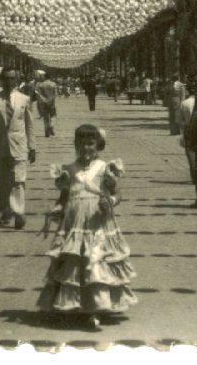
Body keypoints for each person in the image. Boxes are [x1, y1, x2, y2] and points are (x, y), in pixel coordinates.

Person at [37, 124, 135, 329]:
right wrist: (56, 210)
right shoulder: (68, 170)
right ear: (75, 144)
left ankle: (94, 308)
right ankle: (73, 305)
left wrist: (111, 201)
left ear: (98, 145)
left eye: (90, 144)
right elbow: (64, 197)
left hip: (97, 223)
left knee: (95, 263)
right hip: (74, 224)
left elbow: (117, 193)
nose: (86, 148)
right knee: (74, 264)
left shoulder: (104, 168)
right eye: (81, 144)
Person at [0, 73, 36, 229]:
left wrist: (32, 147)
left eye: (13, 78)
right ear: (1, 80)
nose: (9, 81)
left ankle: (19, 214)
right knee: (1, 181)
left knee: (18, 180)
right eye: (6, 78)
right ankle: (6, 210)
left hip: (19, 146)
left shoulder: (24, 99)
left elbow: (29, 125)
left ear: (16, 80)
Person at [34, 73, 59, 138]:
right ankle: (51, 126)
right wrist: (51, 99)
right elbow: (56, 94)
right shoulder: (53, 84)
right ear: (50, 77)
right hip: (52, 102)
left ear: (45, 77)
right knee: (53, 116)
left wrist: (43, 100)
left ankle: (47, 133)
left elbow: (38, 94)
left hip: (43, 103)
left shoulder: (41, 85)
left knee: (46, 118)